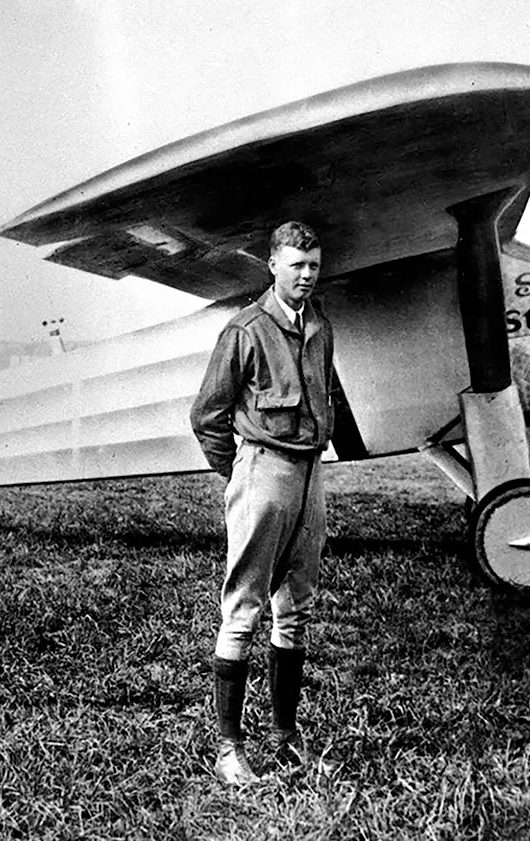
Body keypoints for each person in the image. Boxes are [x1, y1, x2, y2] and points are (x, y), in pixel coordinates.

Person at [190, 220, 335, 785]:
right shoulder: (245, 329)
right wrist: (242, 474)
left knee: (295, 607)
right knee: (245, 606)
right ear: (272, 265)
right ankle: (229, 750)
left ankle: (285, 736)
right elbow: (208, 414)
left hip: (309, 473)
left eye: (314, 265)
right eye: (297, 264)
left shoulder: (320, 322)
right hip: (264, 469)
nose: (306, 275)